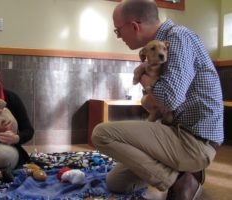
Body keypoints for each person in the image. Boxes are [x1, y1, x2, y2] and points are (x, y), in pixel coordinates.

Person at [91, 0, 223, 200]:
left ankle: (180, 181)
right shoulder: (161, 44)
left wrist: (145, 80)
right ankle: (181, 170)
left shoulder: (178, 37)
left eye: (118, 31)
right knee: (116, 182)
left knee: (101, 134)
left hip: (194, 142)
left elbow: (170, 99)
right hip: (174, 131)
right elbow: (159, 101)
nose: (119, 37)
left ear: (134, 26)